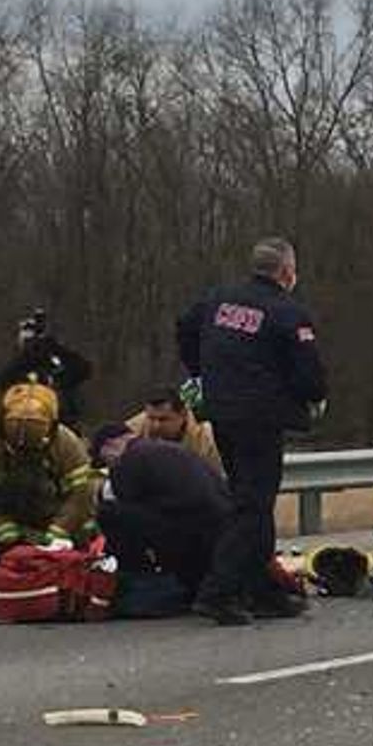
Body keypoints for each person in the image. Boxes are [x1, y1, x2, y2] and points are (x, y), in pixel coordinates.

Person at [175, 235, 326, 625]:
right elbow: (309, 375)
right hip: (261, 416)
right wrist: (310, 397)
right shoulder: (287, 311)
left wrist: (201, 370)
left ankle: (260, 589)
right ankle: (219, 591)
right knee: (253, 505)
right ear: (287, 272)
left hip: (222, 411)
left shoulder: (218, 299)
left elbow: (184, 327)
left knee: (250, 499)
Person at [89, 421, 226, 618]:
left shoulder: (128, 461)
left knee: (110, 513)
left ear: (111, 446)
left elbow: (128, 520)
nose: (107, 467)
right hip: (218, 536)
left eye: (105, 461)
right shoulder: (171, 450)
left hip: (189, 536)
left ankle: (139, 580)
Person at [0, 379, 97, 546]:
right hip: (15, 523)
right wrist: (5, 533)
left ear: (51, 428)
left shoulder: (67, 446)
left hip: (61, 526)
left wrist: (57, 534)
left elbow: (81, 496)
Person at [0, 309, 92, 406]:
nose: (31, 343)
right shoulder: (22, 360)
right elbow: (1, 381)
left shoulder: (54, 351)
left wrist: (56, 382)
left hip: (56, 413)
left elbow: (83, 368)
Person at [124, 384, 222, 473]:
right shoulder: (138, 425)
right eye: (151, 418)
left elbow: (217, 478)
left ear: (183, 414)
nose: (156, 425)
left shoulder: (206, 438)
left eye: (163, 419)